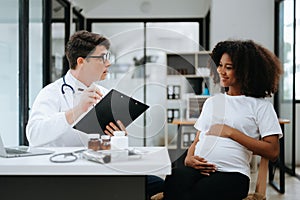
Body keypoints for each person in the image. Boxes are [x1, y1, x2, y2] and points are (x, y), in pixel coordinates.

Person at [26, 30, 163, 199]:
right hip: (64, 175)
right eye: (102, 58)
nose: (109, 63)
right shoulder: (52, 93)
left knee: (160, 184)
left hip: (99, 169)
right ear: (81, 61)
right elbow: (33, 135)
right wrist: (77, 110)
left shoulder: (104, 94)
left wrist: (118, 136)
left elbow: (105, 147)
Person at [163, 40, 283, 200]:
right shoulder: (213, 102)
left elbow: (273, 151)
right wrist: (189, 158)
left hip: (233, 174)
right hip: (198, 170)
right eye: (219, 65)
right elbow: (198, 139)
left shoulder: (261, 106)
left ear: (244, 71)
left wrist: (230, 132)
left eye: (229, 67)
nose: (221, 71)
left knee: (197, 193)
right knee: (174, 179)